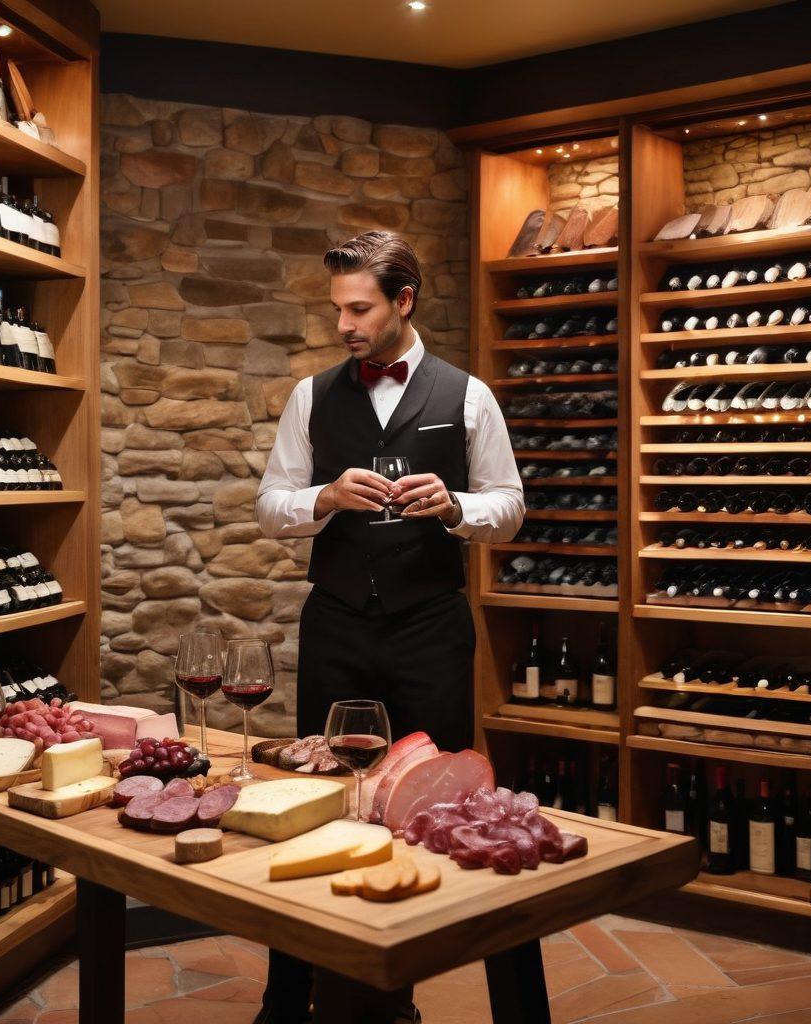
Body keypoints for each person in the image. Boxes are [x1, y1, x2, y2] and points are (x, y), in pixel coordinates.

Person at [254, 230, 524, 1024]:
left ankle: (388, 996)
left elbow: (507, 507)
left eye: (358, 307)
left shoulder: (468, 395)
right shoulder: (312, 395)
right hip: (336, 625)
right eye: (336, 307)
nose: (343, 324)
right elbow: (271, 507)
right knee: (316, 805)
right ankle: (285, 996)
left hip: (430, 631)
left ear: (403, 301)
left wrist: (456, 508)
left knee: (423, 809)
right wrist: (326, 498)